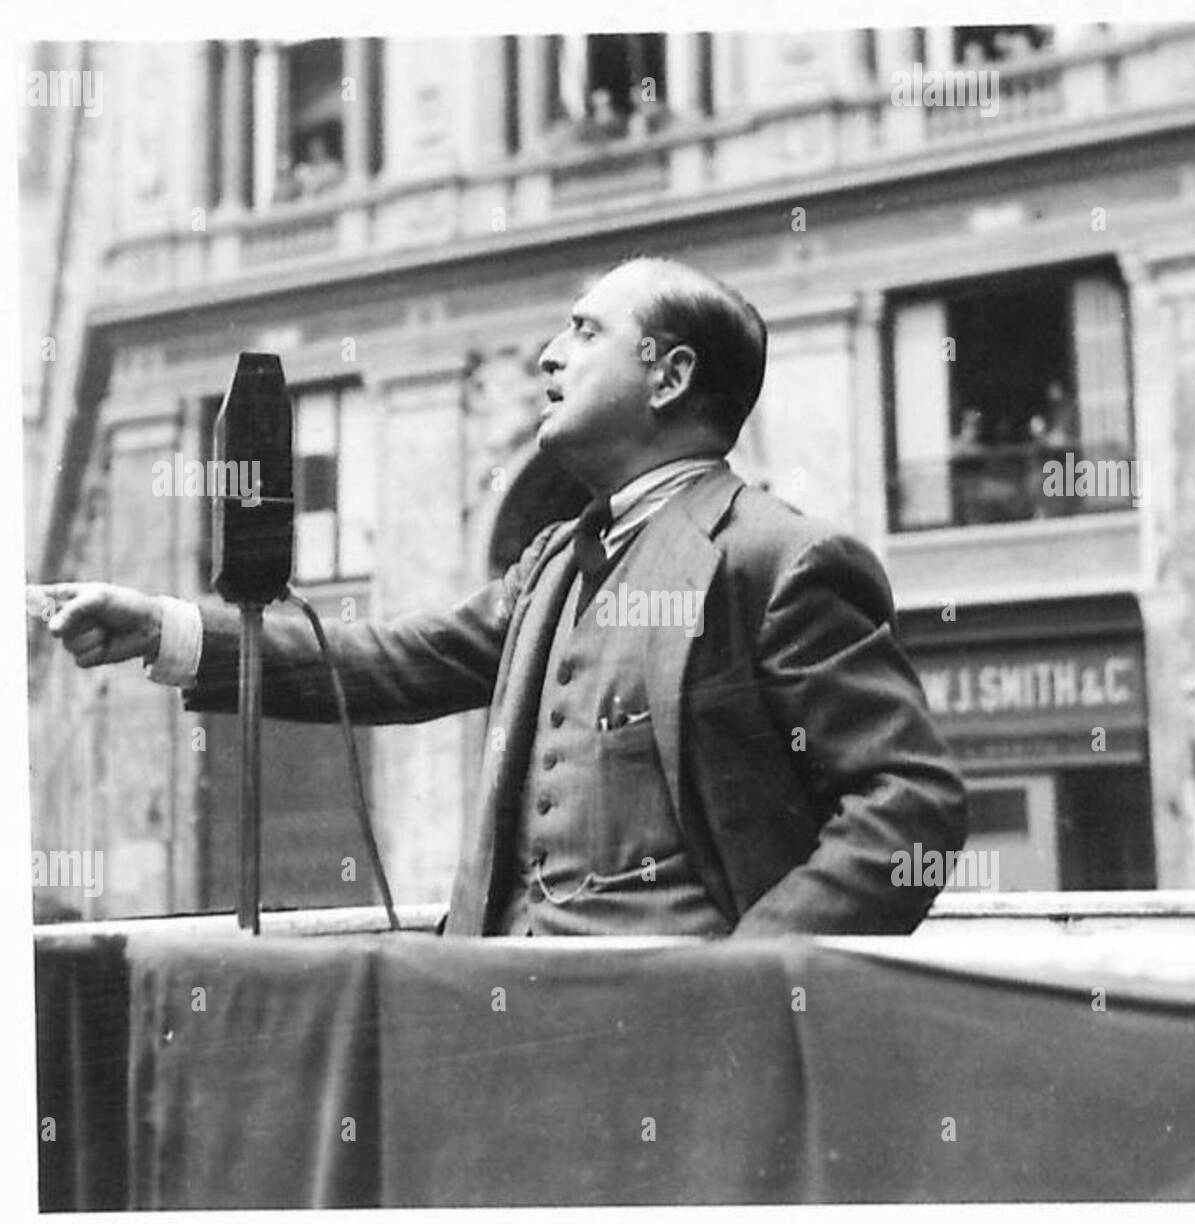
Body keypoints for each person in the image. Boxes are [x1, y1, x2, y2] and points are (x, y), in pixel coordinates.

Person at [37, 257, 967, 937]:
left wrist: (756, 976)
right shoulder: (554, 564)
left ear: (672, 376)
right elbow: (390, 661)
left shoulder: (781, 560)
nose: (547, 358)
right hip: (500, 1018)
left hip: (692, 1046)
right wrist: (163, 627)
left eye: (585, 332)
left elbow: (909, 800)